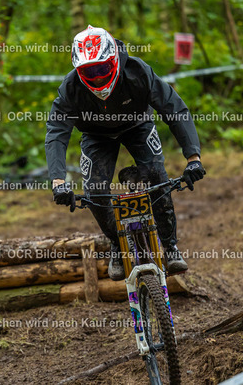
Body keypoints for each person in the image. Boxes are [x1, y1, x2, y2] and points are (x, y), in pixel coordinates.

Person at [45, 25, 205, 280]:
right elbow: (56, 132)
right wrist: (58, 181)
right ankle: (117, 244)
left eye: (102, 69)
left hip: (137, 125)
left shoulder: (137, 71)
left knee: (157, 176)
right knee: (95, 190)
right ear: (78, 70)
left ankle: (170, 246)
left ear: (114, 60)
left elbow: (174, 108)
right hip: (96, 136)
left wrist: (193, 158)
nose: (98, 78)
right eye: (89, 72)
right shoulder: (71, 88)